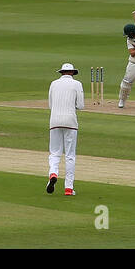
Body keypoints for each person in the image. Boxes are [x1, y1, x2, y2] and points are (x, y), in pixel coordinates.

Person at [47, 62, 85, 196]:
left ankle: (53, 173)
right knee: (70, 155)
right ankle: (68, 188)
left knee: (55, 153)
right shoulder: (77, 84)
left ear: (61, 73)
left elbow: (50, 105)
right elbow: (80, 106)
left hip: (54, 121)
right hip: (70, 122)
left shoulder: (53, 83)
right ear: (72, 73)